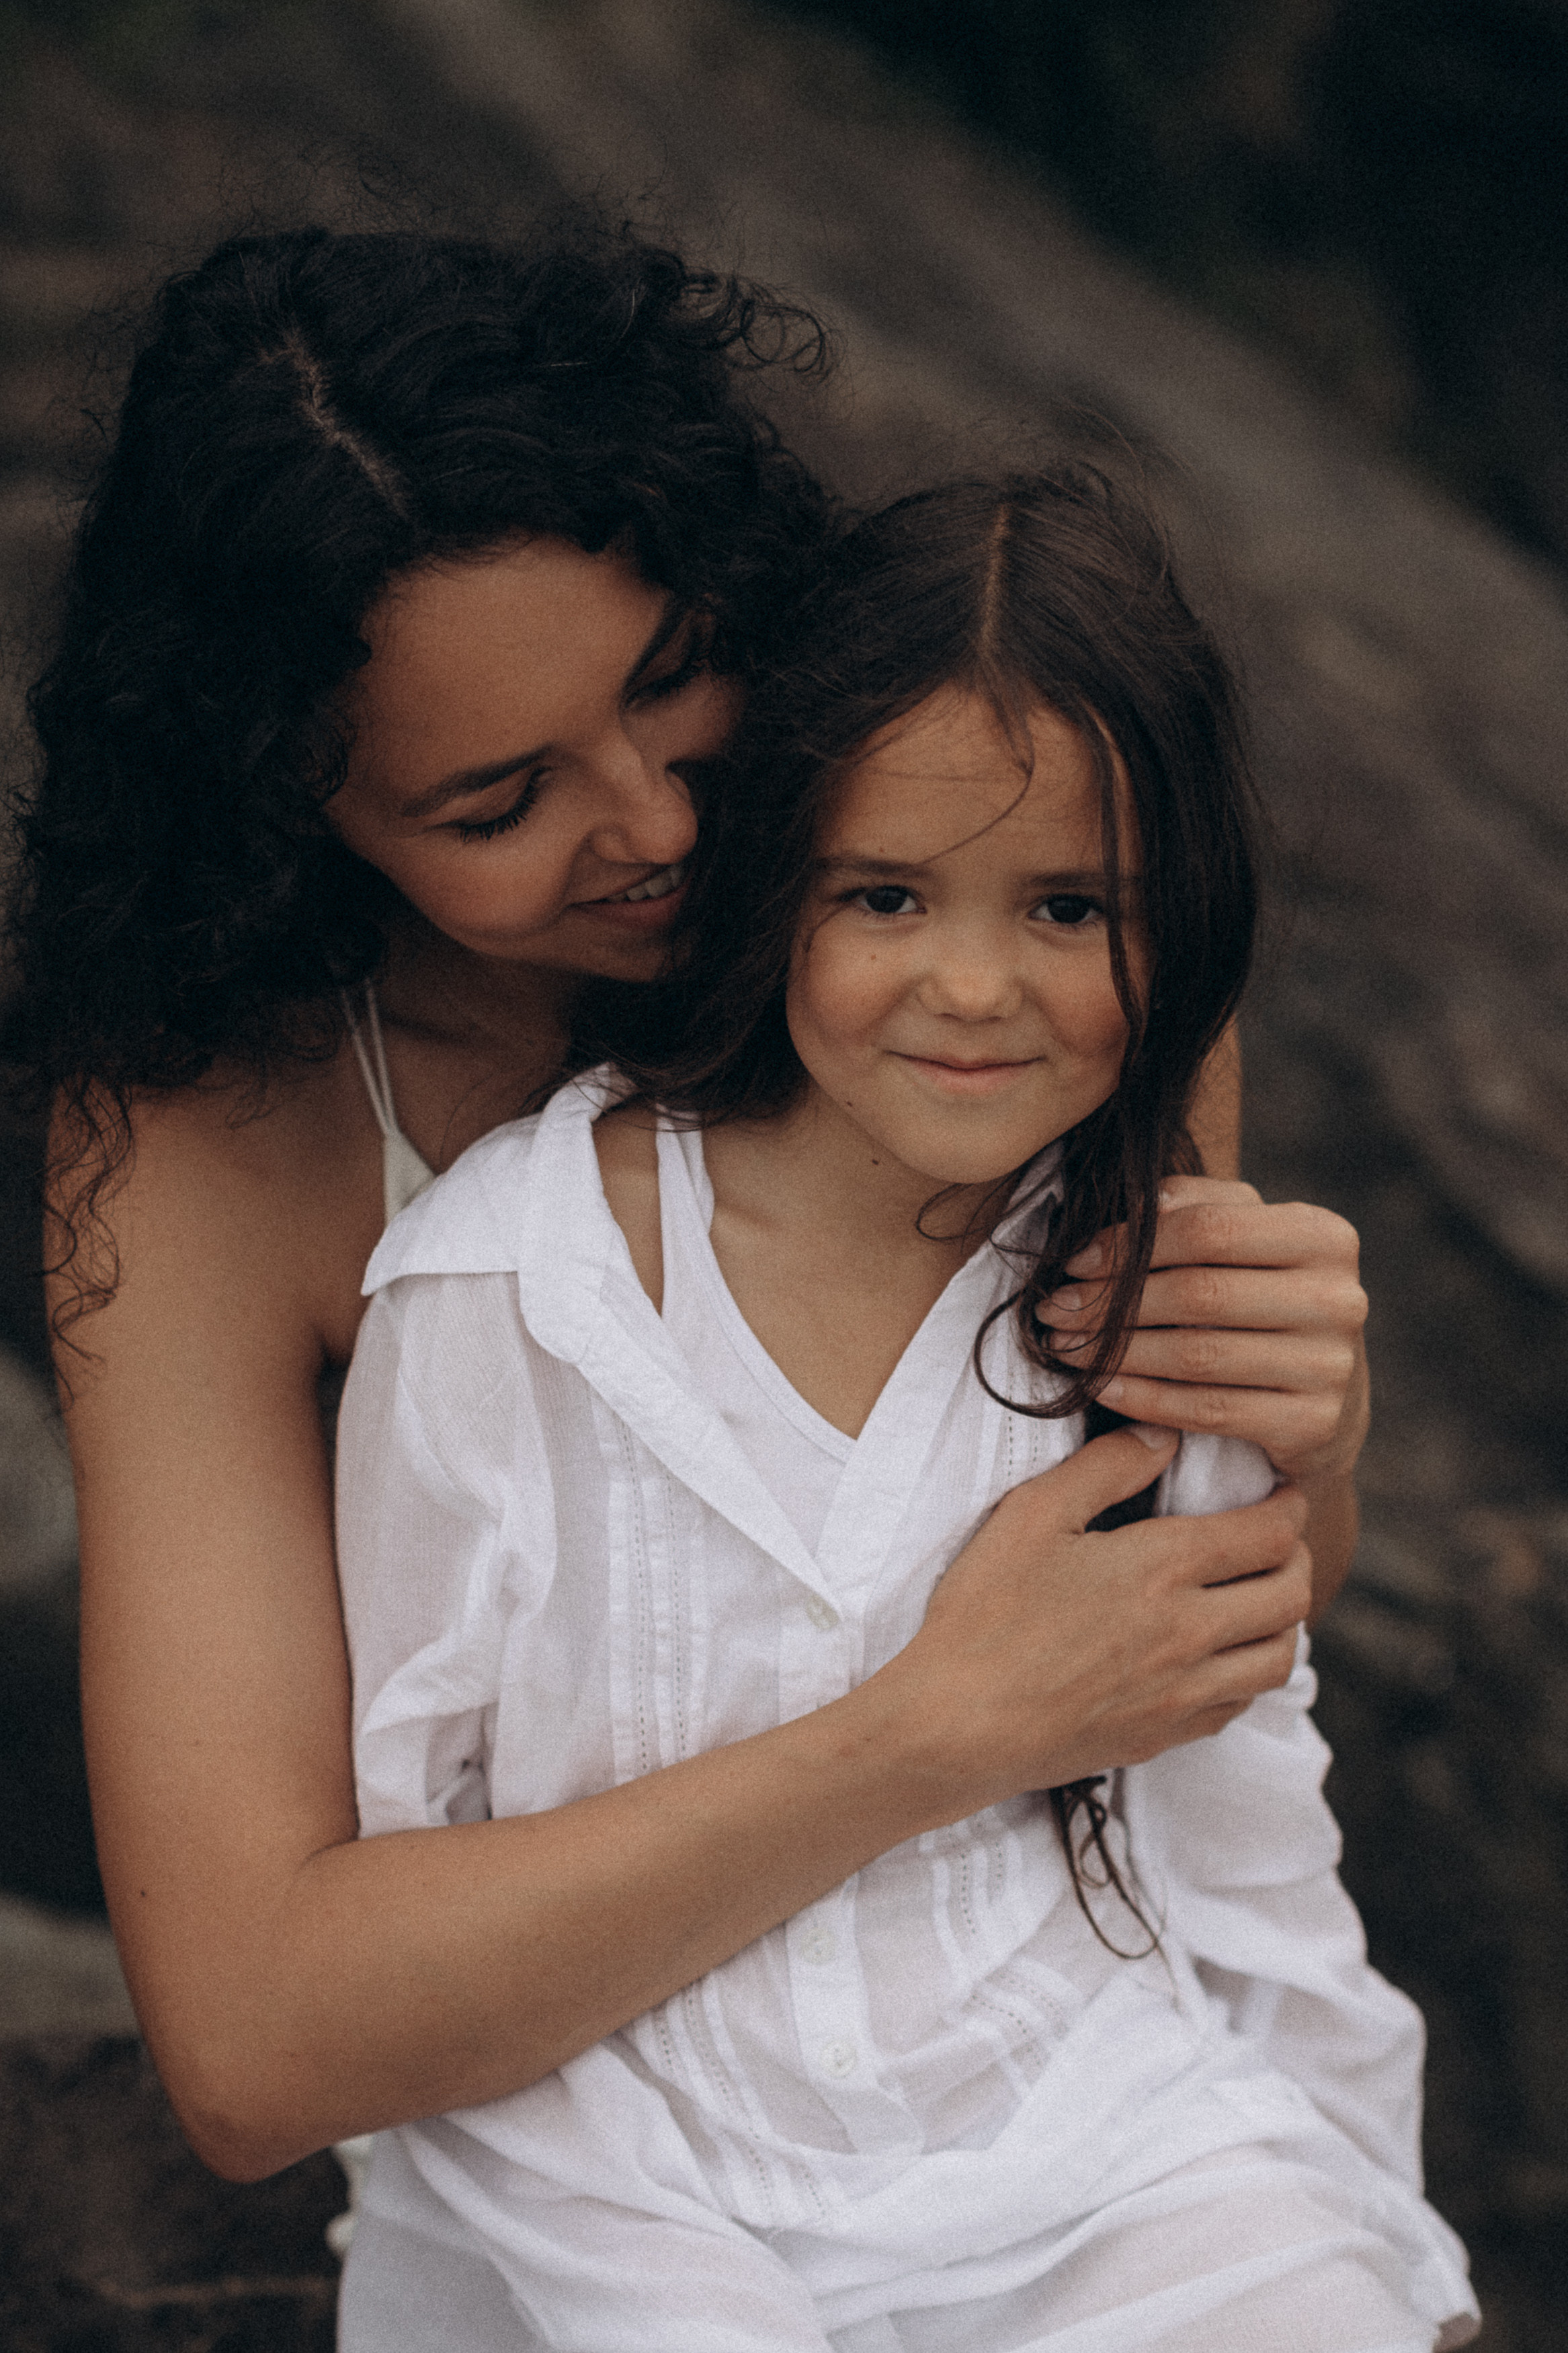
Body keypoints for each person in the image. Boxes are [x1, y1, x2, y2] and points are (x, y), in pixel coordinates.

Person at [6, 221, 1310, 2202]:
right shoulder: (213, 1145)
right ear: (300, 820)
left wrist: (1316, 1420)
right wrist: (918, 1734)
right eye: (498, 802)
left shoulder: (1010, 868)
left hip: (1086, 2103)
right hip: (596, 2181)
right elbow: (256, 2038)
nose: (666, 824)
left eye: (677, 675)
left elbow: (1201, 1623)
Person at [333, 470, 1477, 2350]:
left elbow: (1241, 1759)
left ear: (1174, 918)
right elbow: (413, 1864)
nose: (970, 986)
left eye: (1065, 905)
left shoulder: (1144, 1266)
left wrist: (1352, 2206)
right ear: (777, 878)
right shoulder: (505, 1292)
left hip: (1091, 2134)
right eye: (883, 893)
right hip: (624, 2167)